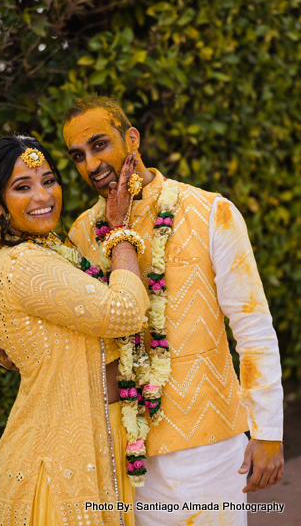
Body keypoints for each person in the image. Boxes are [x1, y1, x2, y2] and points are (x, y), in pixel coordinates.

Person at [60, 95, 284, 526]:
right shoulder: (83, 234)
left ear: (132, 138)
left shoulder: (209, 211)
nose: (91, 165)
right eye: (78, 156)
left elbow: (253, 326)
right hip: (128, 456)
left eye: (99, 145)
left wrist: (268, 431)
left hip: (210, 449)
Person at [0, 134, 150, 526]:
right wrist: (120, 232)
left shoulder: (49, 249)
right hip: (57, 464)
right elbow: (126, 310)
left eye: (49, 180)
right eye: (23, 187)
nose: (43, 196)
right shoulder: (25, 264)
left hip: (90, 447)